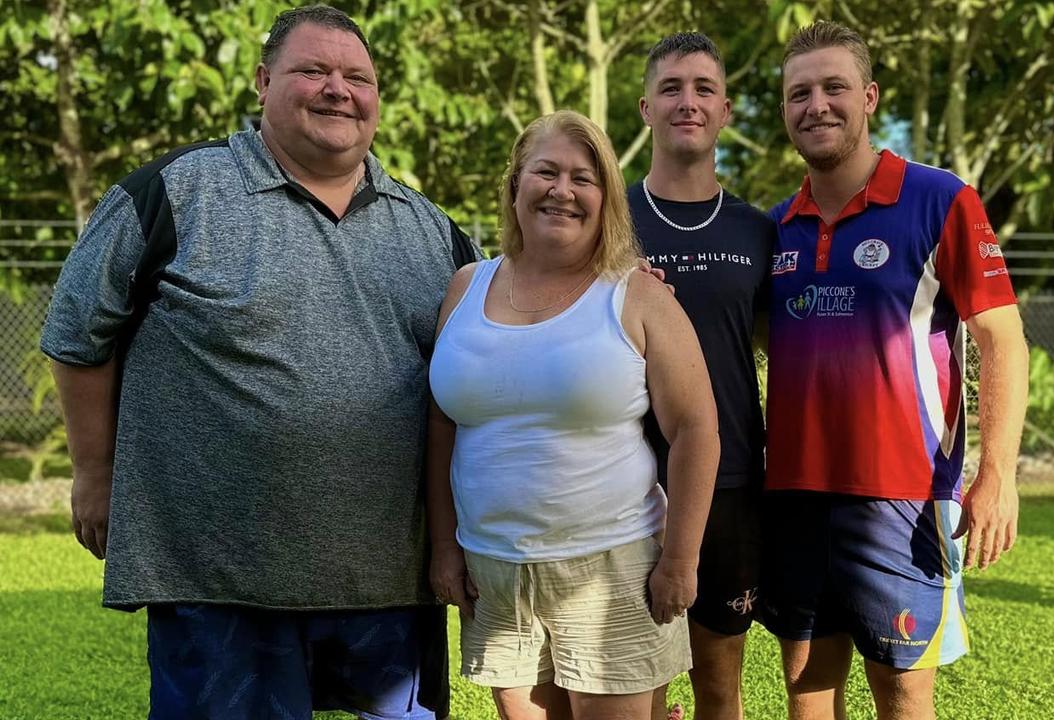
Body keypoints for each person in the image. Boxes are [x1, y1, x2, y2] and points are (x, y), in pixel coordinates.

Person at [40, 5, 477, 718]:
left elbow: (508, 343)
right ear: (262, 80)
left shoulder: (431, 230)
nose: (338, 89)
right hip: (217, 579)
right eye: (313, 70)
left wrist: (622, 287)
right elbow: (76, 334)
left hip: (388, 580)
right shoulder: (172, 195)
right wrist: (94, 472)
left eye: (357, 77)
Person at [760, 21, 1029, 720]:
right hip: (792, 493)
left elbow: (1002, 339)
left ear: (870, 96)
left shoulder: (939, 199)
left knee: (904, 697)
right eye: (798, 93)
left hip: (904, 497)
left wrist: (996, 474)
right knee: (807, 692)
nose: (815, 105)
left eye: (833, 87)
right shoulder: (775, 227)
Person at [426, 110, 720, 720]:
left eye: (584, 179)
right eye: (546, 172)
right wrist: (445, 546)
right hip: (496, 573)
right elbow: (442, 426)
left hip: (613, 569)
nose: (563, 191)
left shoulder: (636, 294)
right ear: (515, 186)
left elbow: (696, 430)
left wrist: (681, 562)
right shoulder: (464, 287)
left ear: (606, 197)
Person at [627, 32, 774, 720]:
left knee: (720, 685)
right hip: (620, 482)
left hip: (732, 481)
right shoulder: (606, 221)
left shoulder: (757, 230)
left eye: (704, 89)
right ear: (645, 108)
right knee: (631, 686)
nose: (688, 101)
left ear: (727, 111)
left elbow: (783, 344)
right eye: (672, 88)